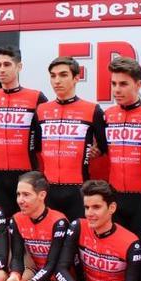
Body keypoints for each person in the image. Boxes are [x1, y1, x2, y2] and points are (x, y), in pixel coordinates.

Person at [36, 57, 107, 220]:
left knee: (79, 239)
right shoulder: (41, 110)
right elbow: (38, 146)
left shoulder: (92, 110)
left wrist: (96, 150)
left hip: (79, 190)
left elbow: (104, 145)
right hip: (49, 189)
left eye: (63, 75)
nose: (57, 81)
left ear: (76, 78)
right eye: (53, 76)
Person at [0, 46, 47, 218]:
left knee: (28, 221)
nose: (2, 69)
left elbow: (46, 132)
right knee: (1, 222)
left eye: (7, 64)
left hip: (25, 172)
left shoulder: (36, 97)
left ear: (19, 67)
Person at [104, 57, 141, 237]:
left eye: (123, 84)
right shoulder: (108, 115)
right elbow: (100, 146)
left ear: (138, 84)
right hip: (115, 196)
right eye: (114, 83)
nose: (116, 89)